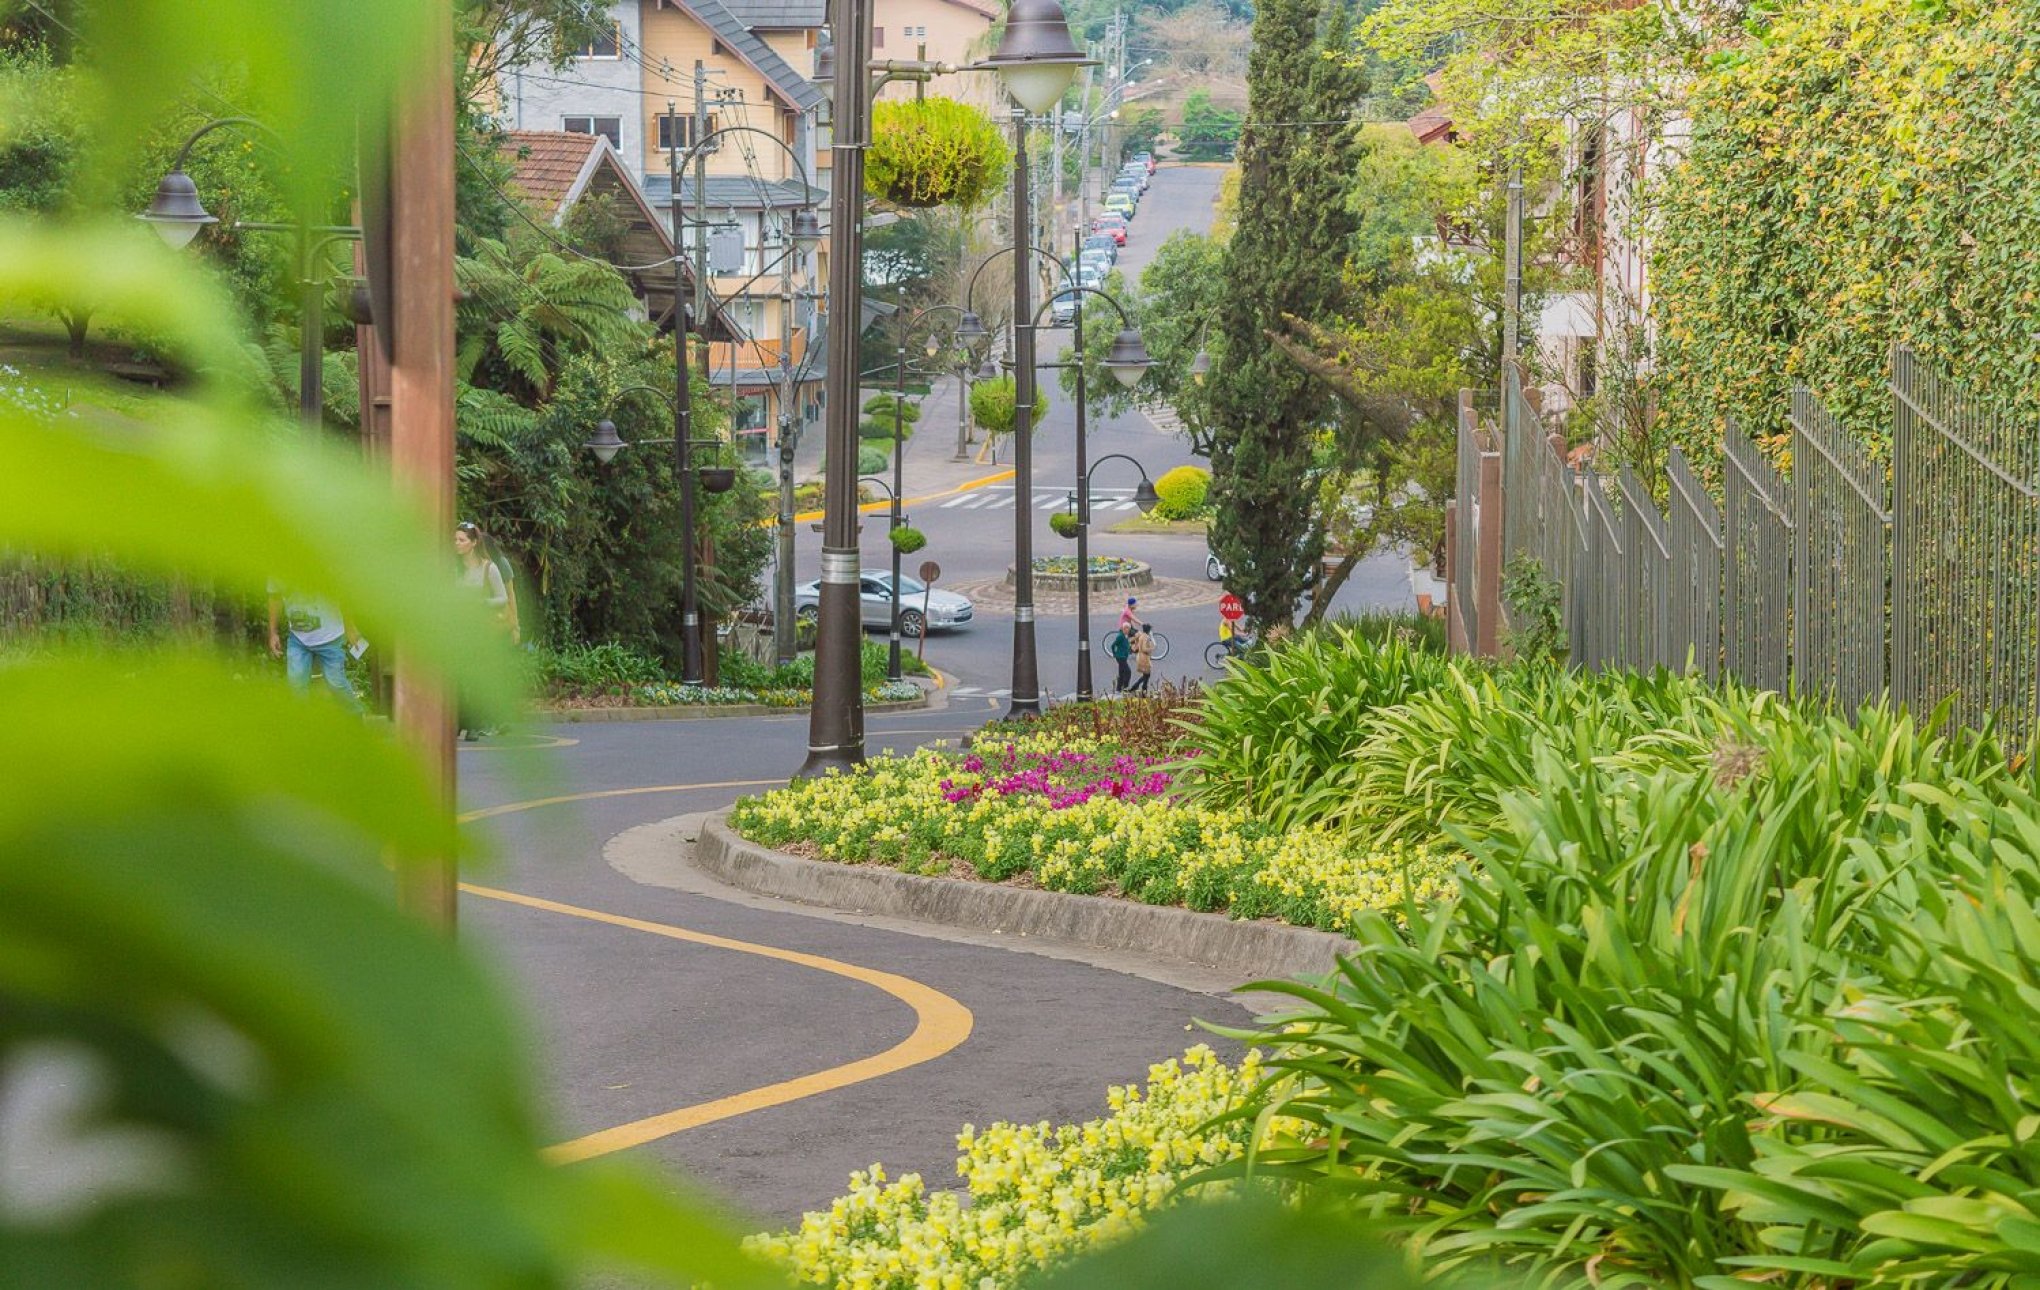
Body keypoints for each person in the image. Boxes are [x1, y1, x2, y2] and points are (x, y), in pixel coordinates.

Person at [267, 584, 363, 714]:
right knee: (296, 684)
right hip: (298, 638)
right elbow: (274, 598)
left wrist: (350, 628)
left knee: (336, 683)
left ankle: (355, 717)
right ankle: (302, 724)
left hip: (331, 636)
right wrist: (273, 633)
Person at [455, 521, 513, 738]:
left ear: (473, 543)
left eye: (461, 540)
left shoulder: (489, 568)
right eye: (455, 540)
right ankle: (462, 721)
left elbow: (503, 598)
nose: (457, 544)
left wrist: (482, 603)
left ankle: (475, 723)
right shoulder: (455, 569)